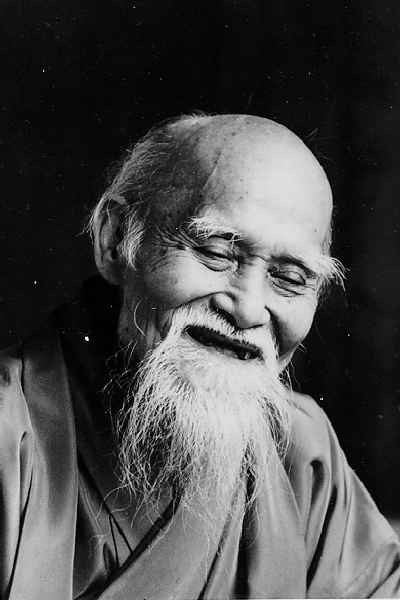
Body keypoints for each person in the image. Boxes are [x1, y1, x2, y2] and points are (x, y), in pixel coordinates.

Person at [1, 114, 400, 600]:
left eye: (290, 278)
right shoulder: (10, 436)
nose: (248, 308)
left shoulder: (300, 453)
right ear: (115, 239)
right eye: (216, 252)